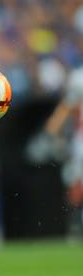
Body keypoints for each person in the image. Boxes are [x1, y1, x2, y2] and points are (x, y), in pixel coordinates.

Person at [27, 66, 83, 238]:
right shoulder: (78, 76)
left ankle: (75, 227)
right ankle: (75, 226)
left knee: (76, 186)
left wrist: (53, 131)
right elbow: (66, 111)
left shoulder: (78, 76)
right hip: (80, 141)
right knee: (76, 185)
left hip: (79, 143)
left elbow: (61, 116)